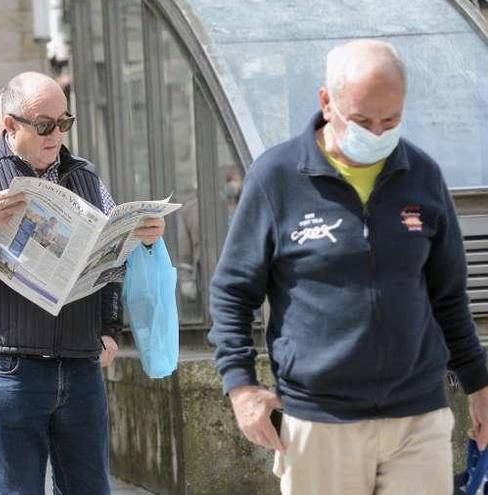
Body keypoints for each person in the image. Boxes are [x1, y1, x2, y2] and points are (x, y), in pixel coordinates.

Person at [208, 40, 488, 495]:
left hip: (418, 415)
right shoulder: (276, 177)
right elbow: (232, 292)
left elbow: (449, 295)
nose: (377, 132)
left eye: (391, 120)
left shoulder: (423, 175)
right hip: (320, 420)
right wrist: (241, 387)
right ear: (326, 102)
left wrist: (479, 384)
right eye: (362, 121)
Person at [0, 71, 165, 494]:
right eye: (44, 125)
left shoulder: (86, 176)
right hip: (10, 367)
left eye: (64, 122)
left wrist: (134, 246)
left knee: (89, 487)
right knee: (15, 487)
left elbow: (110, 265)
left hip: (79, 362)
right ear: (9, 125)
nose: (56, 134)